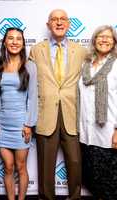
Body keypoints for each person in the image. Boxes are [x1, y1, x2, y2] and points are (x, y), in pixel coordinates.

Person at [29, 9, 87, 200]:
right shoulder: (37, 50)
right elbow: (29, 84)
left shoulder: (81, 51)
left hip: (72, 113)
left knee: (75, 161)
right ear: (48, 25)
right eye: (54, 19)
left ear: (69, 24)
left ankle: (75, 197)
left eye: (63, 19)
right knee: (46, 163)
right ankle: (46, 197)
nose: (59, 22)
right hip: (45, 114)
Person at [0, 27, 37, 200]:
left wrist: (28, 124)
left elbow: (32, 97)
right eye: (11, 38)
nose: (15, 42)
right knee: (8, 167)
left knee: (21, 166)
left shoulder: (30, 66)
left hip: (21, 125)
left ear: (23, 43)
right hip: (3, 124)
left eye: (19, 39)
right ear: (5, 42)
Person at [78, 25, 117, 200]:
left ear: (114, 42)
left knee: (110, 179)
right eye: (100, 36)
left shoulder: (115, 65)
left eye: (108, 37)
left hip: (108, 131)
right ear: (94, 41)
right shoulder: (86, 65)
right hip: (87, 132)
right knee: (93, 177)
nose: (104, 39)